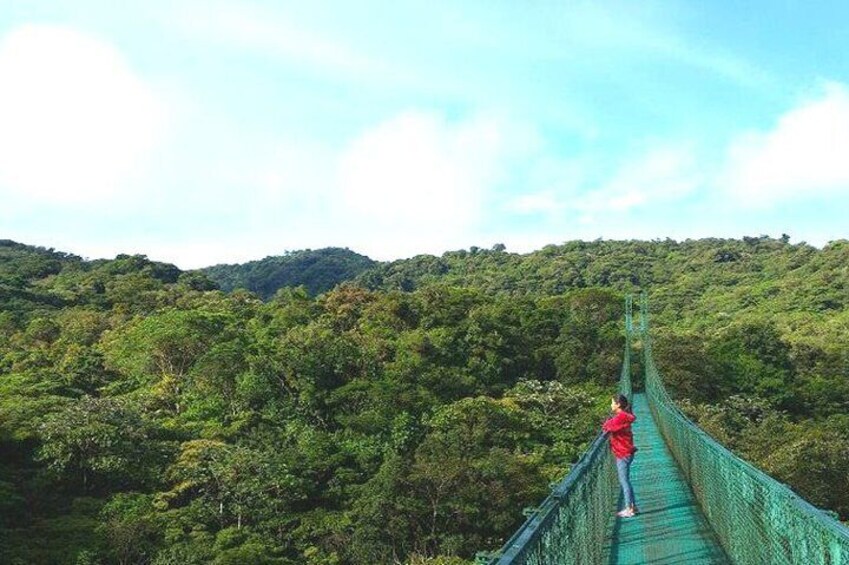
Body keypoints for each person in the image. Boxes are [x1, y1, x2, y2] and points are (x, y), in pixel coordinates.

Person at [603, 394, 638, 518]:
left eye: (612, 403)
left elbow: (608, 426)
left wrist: (607, 422)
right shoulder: (623, 416)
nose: (611, 405)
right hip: (627, 451)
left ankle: (629, 508)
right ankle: (633, 506)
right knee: (626, 481)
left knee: (624, 481)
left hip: (622, 452)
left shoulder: (621, 416)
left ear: (618, 404)